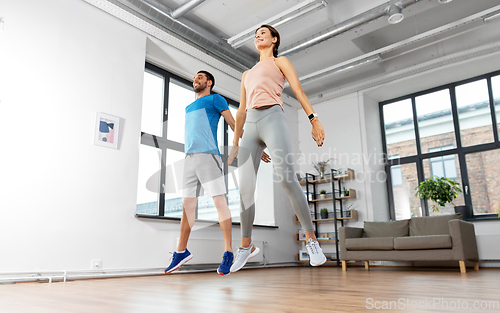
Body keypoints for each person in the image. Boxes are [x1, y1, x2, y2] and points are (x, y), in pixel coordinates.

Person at [228, 25, 327, 272]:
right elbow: (241, 111)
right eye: (256, 33)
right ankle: (246, 246)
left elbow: (298, 90)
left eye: (264, 32)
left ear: (274, 39)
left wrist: (313, 119)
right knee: (246, 187)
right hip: (250, 125)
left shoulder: (280, 61)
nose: (258, 35)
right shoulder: (246, 74)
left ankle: (312, 240)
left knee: (286, 179)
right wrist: (236, 142)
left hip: (273, 117)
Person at [164, 70, 237, 276]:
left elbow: (233, 124)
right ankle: (181, 251)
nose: (195, 80)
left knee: (219, 202)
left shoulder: (216, 99)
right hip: (189, 159)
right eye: (195, 78)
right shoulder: (189, 107)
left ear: (209, 82)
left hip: (208, 156)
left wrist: (238, 145)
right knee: (187, 206)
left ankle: (228, 252)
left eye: (200, 77)